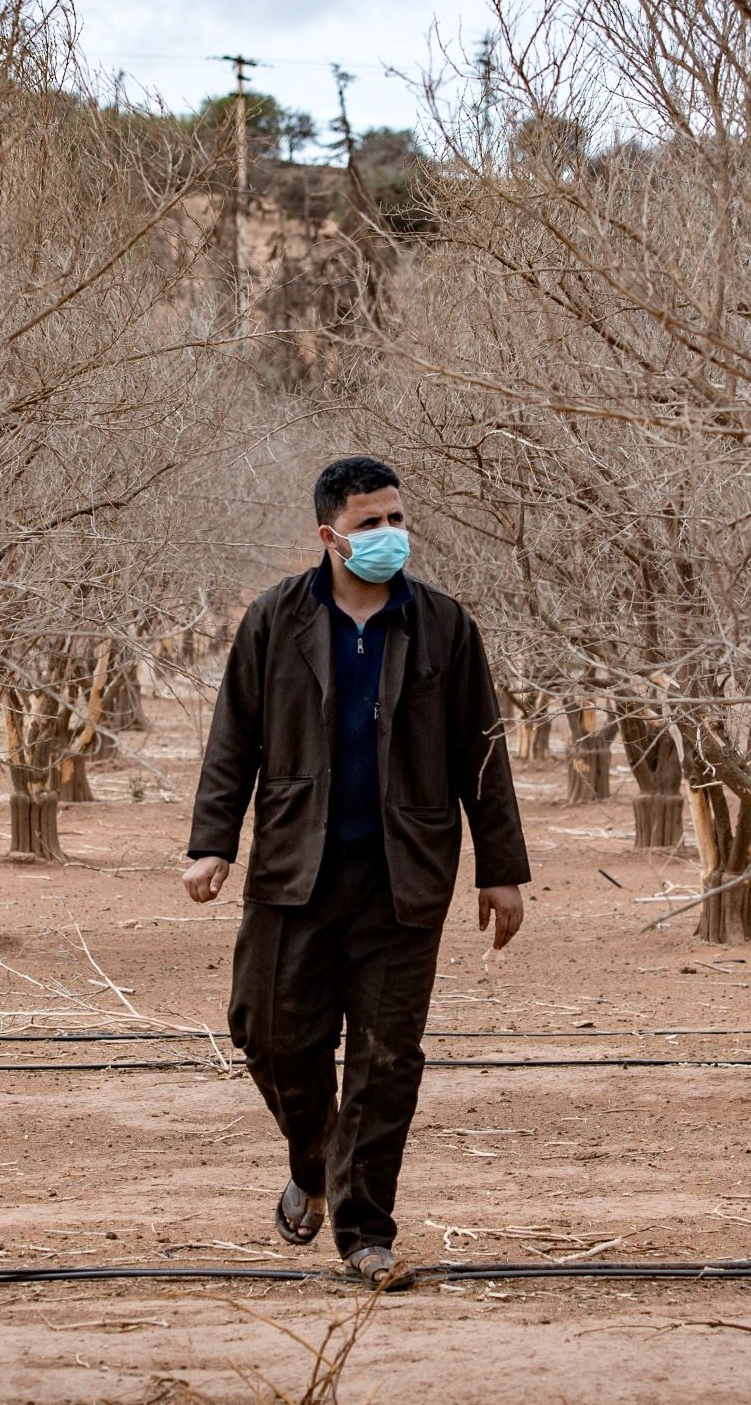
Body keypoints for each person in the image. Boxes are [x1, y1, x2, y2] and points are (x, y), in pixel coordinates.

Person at [182, 455, 530, 1290]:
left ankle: (364, 1229)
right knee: (266, 1033)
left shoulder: (445, 625)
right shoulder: (274, 620)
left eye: (397, 520)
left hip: (403, 876)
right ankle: (313, 1160)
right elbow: (234, 736)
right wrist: (212, 842)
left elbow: (481, 752)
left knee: (386, 1058)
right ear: (329, 534)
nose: (388, 536)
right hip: (293, 869)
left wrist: (500, 867)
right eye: (370, 523)